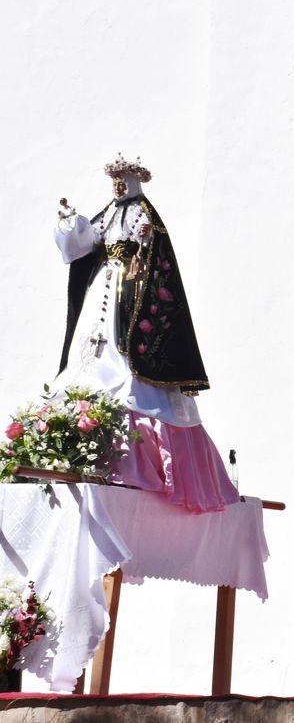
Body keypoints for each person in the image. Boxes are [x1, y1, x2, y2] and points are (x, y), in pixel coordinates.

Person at [53, 156, 238, 512]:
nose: (120, 185)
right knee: (90, 353)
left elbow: (155, 257)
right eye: (116, 179)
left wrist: (141, 249)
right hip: (103, 289)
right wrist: (70, 223)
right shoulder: (107, 214)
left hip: (130, 293)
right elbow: (85, 244)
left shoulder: (144, 216)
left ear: (137, 181)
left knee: (126, 358)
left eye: (125, 179)